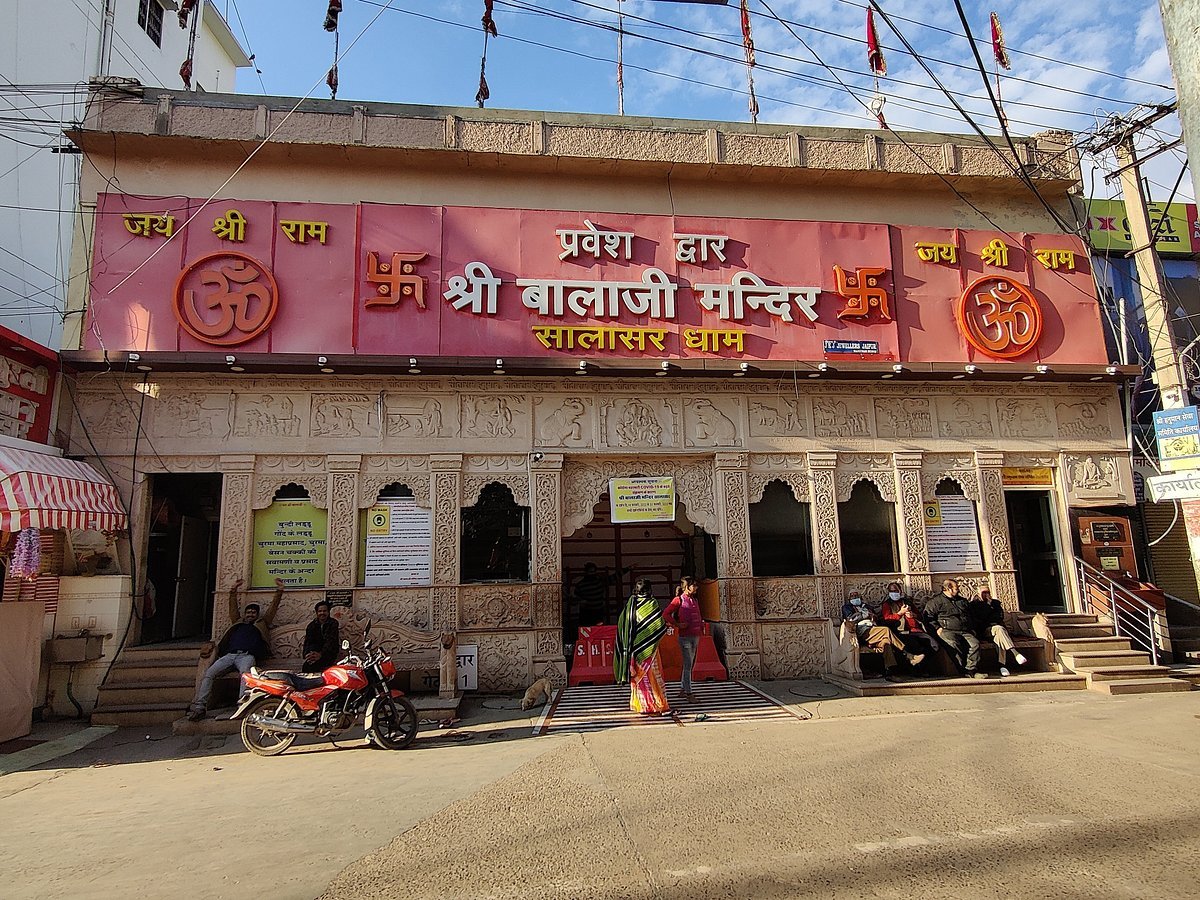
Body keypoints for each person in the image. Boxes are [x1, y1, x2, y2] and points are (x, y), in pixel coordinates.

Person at [187, 577, 284, 721]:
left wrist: (279, 590)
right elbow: (232, 607)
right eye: (248, 612)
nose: (250, 615)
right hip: (229, 656)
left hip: (247, 656)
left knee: (245, 677)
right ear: (245, 614)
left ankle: (242, 706)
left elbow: (273, 608)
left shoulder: (261, 623)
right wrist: (233, 590)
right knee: (209, 674)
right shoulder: (237, 623)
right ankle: (200, 707)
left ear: (257, 615)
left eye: (253, 613)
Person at [613, 578, 672, 716]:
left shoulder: (630, 605)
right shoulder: (651, 603)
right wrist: (665, 627)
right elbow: (657, 624)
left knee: (639, 680)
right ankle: (658, 705)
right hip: (648, 649)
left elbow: (623, 625)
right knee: (653, 677)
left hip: (633, 649)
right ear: (650, 590)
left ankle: (642, 706)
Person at [841, 590, 926, 679]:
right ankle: (908, 655)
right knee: (886, 630)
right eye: (852, 596)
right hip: (863, 630)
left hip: (874, 629)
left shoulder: (866, 606)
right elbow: (851, 619)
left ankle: (890, 672)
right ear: (849, 598)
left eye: (856, 595)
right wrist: (864, 615)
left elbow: (876, 617)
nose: (855, 597)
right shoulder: (847, 607)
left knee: (886, 643)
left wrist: (872, 616)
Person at [924, 578, 985, 679]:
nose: (958, 590)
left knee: (975, 644)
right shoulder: (935, 602)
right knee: (953, 643)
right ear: (948, 589)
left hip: (965, 630)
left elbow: (970, 615)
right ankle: (962, 669)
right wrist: (937, 628)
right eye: (956, 588)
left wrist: (972, 627)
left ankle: (971, 669)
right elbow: (928, 617)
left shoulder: (962, 601)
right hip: (946, 629)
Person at [969, 588, 1028, 677]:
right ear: (978, 593)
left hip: (997, 630)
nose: (986, 595)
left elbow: (999, 617)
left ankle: (1002, 666)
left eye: (988, 592)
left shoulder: (996, 603)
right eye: (984, 593)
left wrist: (991, 608)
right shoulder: (974, 605)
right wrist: (988, 607)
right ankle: (1015, 653)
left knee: (999, 636)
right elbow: (980, 619)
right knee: (999, 630)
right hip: (984, 630)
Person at [663, 576, 705, 702]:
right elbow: (665, 614)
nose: (696, 587)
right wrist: (677, 624)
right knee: (688, 665)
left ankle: (683, 688)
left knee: (689, 664)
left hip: (695, 635)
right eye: (694, 585)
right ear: (687, 587)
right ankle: (688, 693)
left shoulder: (694, 600)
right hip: (685, 637)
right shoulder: (679, 600)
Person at [880, 581, 939, 658]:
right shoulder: (887, 604)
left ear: (900, 591)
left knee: (933, 645)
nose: (893, 593)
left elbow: (920, 616)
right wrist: (900, 613)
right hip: (903, 632)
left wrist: (913, 615)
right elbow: (886, 619)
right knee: (914, 645)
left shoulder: (907, 602)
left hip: (917, 630)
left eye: (895, 591)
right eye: (891, 591)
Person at [572, 562, 630, 628]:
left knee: (598, 631)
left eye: (593, 572)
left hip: (598, 612)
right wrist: (580, 601)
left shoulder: (599, 581)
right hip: (586, 614)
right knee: (586, 631)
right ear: (586, 572)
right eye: (590, 572)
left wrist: (628, 568)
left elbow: (615, 577)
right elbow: (573, 601)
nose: (592, 574)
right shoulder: (580, 585)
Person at [302, 600, 340, 673]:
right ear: (317, 613)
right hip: (314, 653)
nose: (322, 613)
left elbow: (331, 642)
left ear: (328, 612)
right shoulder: (312, 625)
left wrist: (320, 654)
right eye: (320, 611)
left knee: (318, 666)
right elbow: (308, 642)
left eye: (324, 611)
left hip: (328, 653)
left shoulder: (333, 623)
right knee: (307, 666)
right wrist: (308, 654)